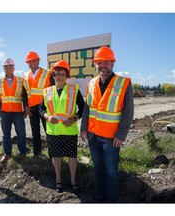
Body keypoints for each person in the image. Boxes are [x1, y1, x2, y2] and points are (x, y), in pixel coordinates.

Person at [80, 46, 134, 203]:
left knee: (111, 172)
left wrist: (121, 135)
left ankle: (112, 201)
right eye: (99, 62)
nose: (102, 65)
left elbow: (128, 112)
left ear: (112, 63)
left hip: (111, 138)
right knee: (98, 169)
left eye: (106, 62)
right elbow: (87, 109)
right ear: (95, 64)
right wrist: (83, 128)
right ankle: (100, 197)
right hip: (93, 136)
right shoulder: (91, 83)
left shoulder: (123, 83)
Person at [39, 60, 84, 193]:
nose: (59, 77)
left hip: (69, 130)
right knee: (56, 156)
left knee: (72, 156)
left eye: (62, 74)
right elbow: (41, 108)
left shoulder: (74, 89)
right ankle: (58, 179)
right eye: (57, 74)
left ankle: (73, 180)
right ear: (53, 76)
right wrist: (47, 117)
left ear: (67, 76)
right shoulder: (47, 91)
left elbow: (82, 108)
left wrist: (74, 119)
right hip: (53, 131)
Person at [23, 51, 55, 157]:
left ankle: (53, 154)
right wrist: (26, 106)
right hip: (32, 107)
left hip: (44, 107)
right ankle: (37, 153)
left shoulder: (48, 73)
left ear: (38, 61)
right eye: (29, 62)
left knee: (48, 130)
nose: (32, 63)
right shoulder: (25, 76)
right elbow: (24, 93)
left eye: (33, 61)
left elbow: (53, 90)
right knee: (35, 131)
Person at [0, 58, 27, 162]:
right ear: (3, 69)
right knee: (6, 134)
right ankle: (7, 153)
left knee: (21, 132)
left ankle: (22, 152)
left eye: (10, 67)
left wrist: (26, 108)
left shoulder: (20, 80)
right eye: (6, 67)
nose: (8, 69)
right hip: (4, 112)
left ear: (13, 68)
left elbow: (24, 95)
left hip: (17, 111)